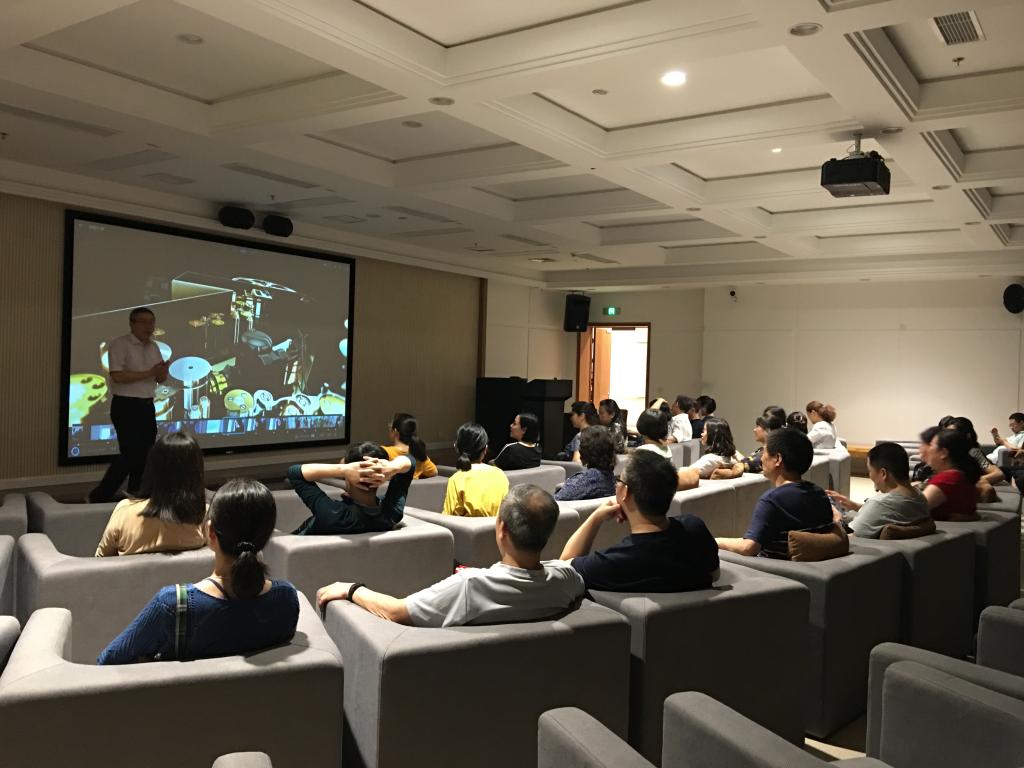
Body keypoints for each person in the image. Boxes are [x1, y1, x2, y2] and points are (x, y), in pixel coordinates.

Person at [315, 484, 584, 627]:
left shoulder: (470, 586)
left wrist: (352, 589)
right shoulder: (566, 581)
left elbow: (396, 612)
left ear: (501, 529)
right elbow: (565, 565)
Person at [98, 479, 299, 664]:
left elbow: (107, 662)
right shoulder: (286, 600)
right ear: (267, 535)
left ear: (210, 532)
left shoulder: (173, 606)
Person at [560, 451, 719, 592]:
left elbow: (563, 569)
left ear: (625, 492)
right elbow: (714, 574)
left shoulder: (612, 562)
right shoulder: (695, 528)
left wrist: (595, 518)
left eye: (619, 481)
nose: (616, 484)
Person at [89, 307, 169, 503]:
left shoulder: (154, 347)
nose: (149, 327)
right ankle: (98, 496)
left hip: (147, 405)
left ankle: (136, 493)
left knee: (146, 453)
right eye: (143, 322)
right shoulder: (120, 344)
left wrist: (162, 372)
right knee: (130, 454)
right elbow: (117, 376)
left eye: (151, 322)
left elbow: (160, 379)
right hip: (126, 405)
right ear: (132, 324)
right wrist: (150, 372)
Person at [716, 428, 833, 559]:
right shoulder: (819, 493)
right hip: (815, 566)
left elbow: (748, 547)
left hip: (773, 568)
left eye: (764, 452)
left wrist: (715, 541)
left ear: (777, 459)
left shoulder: (773, 499)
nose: (761, 458)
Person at [95, 431, 208, 557]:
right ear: (196, 472)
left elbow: (100, 560)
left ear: (152, 468)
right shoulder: (207, 516)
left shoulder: (125, 512)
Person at [286, 442, 414, 534]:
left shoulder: (335, 514)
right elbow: (411, 462)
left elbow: (294, 472)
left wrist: (343, 469)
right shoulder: (392, 513)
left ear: (349, 476)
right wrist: (392, 467)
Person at [826, 442, 930, 538]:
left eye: (870, 471)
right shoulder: (919, 497)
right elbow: (888, 513)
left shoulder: (879, 503)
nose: (870, 475)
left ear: (883, 473)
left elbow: (847, 540)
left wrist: (836, 518)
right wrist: (855, 505)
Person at [444, 422, 509, 516]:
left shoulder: (456, 479)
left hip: (465, 526)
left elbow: (447, 517)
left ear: (457, 448)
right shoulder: (500, 475)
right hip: (497, 525)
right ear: (485, 449)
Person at [923, 428, 981, 521]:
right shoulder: (960, 475)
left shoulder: (946, 479)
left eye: (931, 445)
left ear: (943, 453)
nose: (928, 450)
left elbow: (909, 511)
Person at [710, 414, 784, 479]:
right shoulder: (762, 450)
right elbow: (747, 461)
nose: (754, 430)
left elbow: (745, 465)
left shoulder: (767, 454)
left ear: (768, 430)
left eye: (758, 426)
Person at [946, 416, 1004, 498]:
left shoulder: (973, 452)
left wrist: (972, 481)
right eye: (947, 432)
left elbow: (998, 474)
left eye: (953, 433)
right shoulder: (945, 451)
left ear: (967, 435)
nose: (948, 436)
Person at [555, 425, 616, 501]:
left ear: (586, 452)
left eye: (581, 446)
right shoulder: (612, 481)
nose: (579, 449)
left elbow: (555, 503)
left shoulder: (583, 481)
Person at [382, 413, 437, 478]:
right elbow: (434, 472)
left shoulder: (384, 451)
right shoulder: (418, 454)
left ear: (395, 431)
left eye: (390, 428)